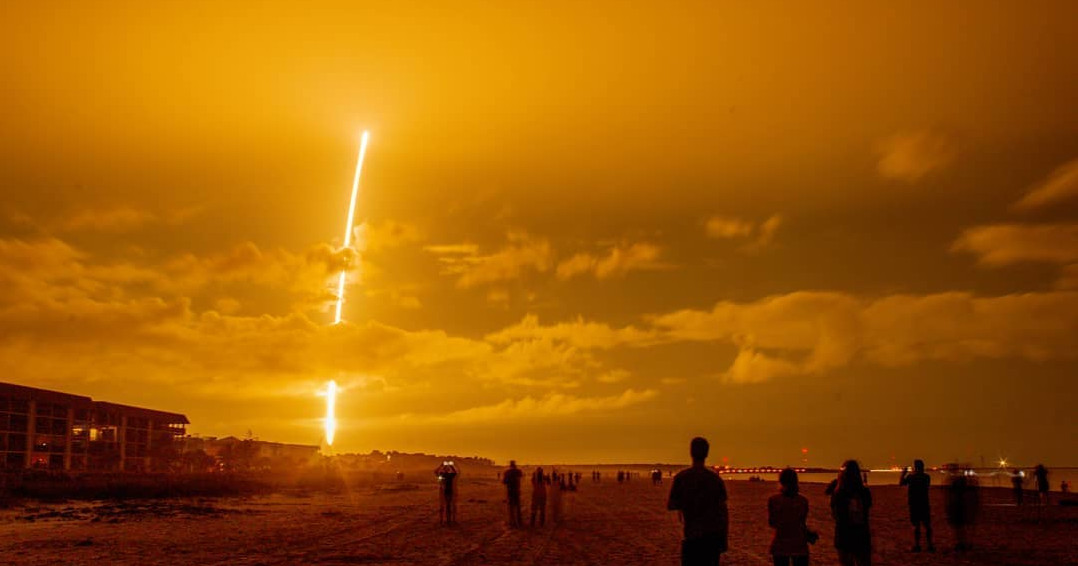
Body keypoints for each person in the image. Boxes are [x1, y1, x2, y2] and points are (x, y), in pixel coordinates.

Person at [667, 437, 729, 566]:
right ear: (707, 453)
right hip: (712, 537)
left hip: (692, 535)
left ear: (691, 452)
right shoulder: (715, 479)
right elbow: (723, 512)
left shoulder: (681, 478)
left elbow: (672, 504)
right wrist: (723, 539)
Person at [830, 460, 872, 566]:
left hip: (844, 534)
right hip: (861, 534)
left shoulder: (839, 493)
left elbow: (835, 514)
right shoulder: (864, 491)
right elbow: (867, 507)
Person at [768, 468, 811, 566]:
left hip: (781, 542)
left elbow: (772, 522)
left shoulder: (774, 500)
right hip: (799, 543)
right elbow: (802, 522)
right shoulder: (803, 501)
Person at [899, 460, 934, 552]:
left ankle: (917, 545)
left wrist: (903, 474)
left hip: (914, 503)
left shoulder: (911, 477)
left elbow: (901, 483)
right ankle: (930, 545)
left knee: (916, 525)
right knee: (927, 525)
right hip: (924, 503)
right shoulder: (926, 477)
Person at [946, 470, 979, 551]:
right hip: (962, 510)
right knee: (963, 528)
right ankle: (965, 543)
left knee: (959, 528)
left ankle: (961, 543)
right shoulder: (967, 493)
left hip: (958, 510)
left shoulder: (956, 495)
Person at [503, 460, 524, 528]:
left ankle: (512, 522)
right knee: (517, 507)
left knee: (511, 508)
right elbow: (521, 477)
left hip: (510, 491)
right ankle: (519, 521)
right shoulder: (518, 471)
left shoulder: (507, 472)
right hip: (516, 491)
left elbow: (504, 482)